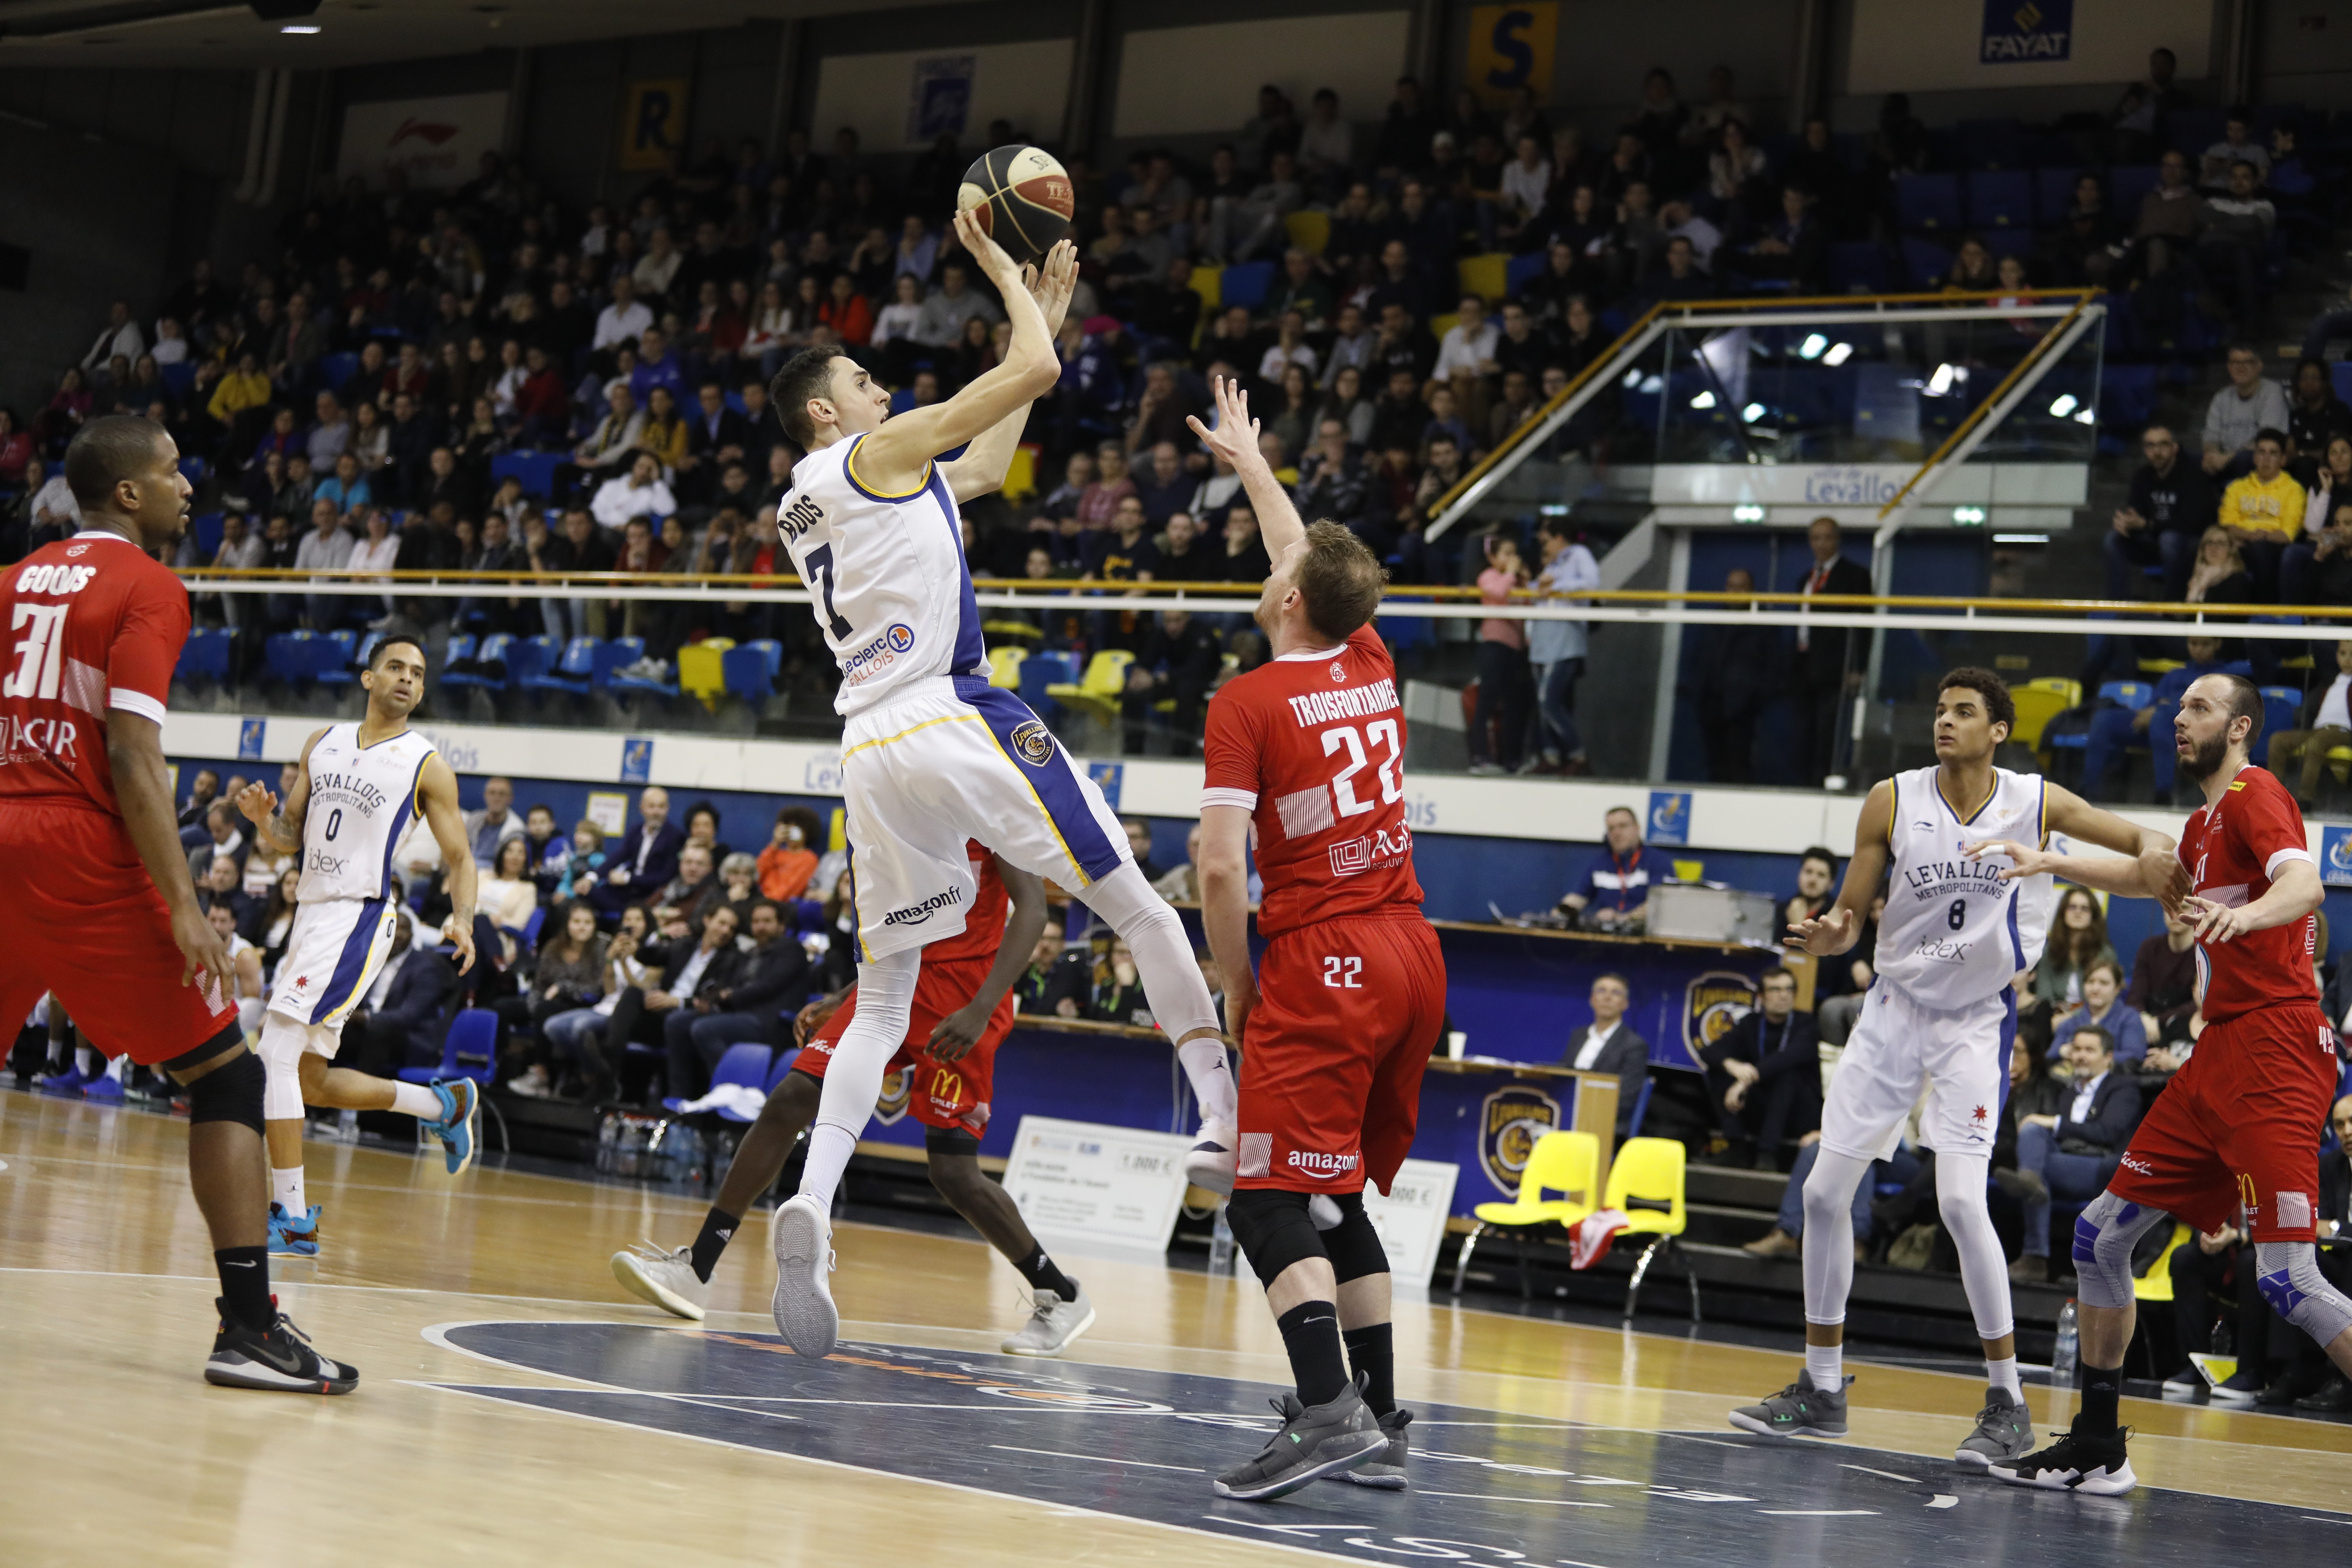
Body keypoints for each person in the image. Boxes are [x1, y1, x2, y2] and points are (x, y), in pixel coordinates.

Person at [761, 219, 1238, 1360]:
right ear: (827, 411)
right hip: (949, 707)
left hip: (868, 748)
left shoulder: (810, 497)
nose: (883, 389)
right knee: (1137, 904)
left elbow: (982, 464)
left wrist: (1051, 309)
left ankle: (813, 1210)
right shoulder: (871, 454)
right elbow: (1029, 375)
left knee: (881, 1006)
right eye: (864, 381)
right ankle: (1224, 1120)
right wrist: (1005, 284)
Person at [1730, 666, 2186, 1470]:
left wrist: (2161, 861)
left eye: (1964, 712)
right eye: (1940, 710)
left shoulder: (2035, 801)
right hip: (1893, 1012)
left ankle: (2007, 1400)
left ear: (1998, 730)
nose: (1945, 722)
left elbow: (2140, 840)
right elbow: (1847, 916)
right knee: (1824, 1192)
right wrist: (1830, 938)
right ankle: (1823, 1386)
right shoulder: (1893, 799)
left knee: (1960, 1200)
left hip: (1976, 1022)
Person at [0, 414, 357, 1391]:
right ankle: (249, 1329)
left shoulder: (9, 583)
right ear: (128, 495)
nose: (186, 484)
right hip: (75, 842)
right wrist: (182, 900)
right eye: (169, 471)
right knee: (228, 1079)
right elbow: (131, 753)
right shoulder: (150, 585)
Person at [1977, 671, 2352, 1496]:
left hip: (2276, 1053)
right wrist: (2050, 860)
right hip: (2218, 1056)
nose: (2181, 719)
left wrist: (2244, 918)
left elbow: (2305, 882)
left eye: (2201, 708)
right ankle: (2097, 1443)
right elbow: (2154, 878)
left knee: (2288, 1279)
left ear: (2244, 726)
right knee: (2100, 1238)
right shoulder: (2204, 822)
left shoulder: (2259, 793)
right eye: (2178, 707)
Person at [1189, 374, 1445, 1500]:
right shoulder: (1366, 659)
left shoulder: (1245, 702)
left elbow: (1213, 863)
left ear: (1288, 600)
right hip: (1409, 948)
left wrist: (1235, 983)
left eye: (1273, 571)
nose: (1267, 569)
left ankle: (1328, 1406)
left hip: (1326, 957)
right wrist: (1252, 463)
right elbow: (1311, 559)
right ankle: (1379, 1415)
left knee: (1261, 1193)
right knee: (1333, 1190)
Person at [612, 846, 1101, 1353]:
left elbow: (1035, 910)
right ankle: (700, 1265)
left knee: (953, 1171)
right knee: (792, 1097)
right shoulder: (902, 808)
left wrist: (982, 1008)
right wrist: (844, 994)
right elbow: (900, 925)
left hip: (967, 997)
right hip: (893, 985)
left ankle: (1060, 1293)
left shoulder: (988, 799)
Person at [231, 637, 484, 1257]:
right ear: (369, 677)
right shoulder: (323, 742)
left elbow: (459, 855)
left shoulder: (426, 764)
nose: (407, 679)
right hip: (311, 914)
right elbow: (290, 837)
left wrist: (463, 919)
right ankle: (441, 1105)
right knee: (309, 1080)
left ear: (422, 693)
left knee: (277, 1052)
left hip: (359, 915)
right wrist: (265, 822)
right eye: (396, 668)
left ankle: (292, 1218)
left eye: (418, 675)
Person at [1997, 1026, 2141, 1283]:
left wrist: (2056, 1123)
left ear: (2108, 1057)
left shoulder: (2123, 1088)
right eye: (2076, 1049)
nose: (2081, 1056)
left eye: (2089, 1050)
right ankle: (2031, 1179)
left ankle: (2035, 1257)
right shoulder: (2067, 1092)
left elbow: (2107, 1133)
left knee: (2037, 1158)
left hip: (2101, 1168)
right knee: (2032, 1131)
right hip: (2066, 1162)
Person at [1701, 968, 1821, 1170]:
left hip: (1798, 1112)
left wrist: (1745, 1080)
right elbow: (1710, 1052)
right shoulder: (1751, 1023)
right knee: (1719, 1072)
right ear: (1761, 997)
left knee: (1788, 1074)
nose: (1784, 996)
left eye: (1789, 990)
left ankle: (1767, 1154)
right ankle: (1736, 1147)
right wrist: (1734, 1066)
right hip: (1763, 1107)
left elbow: (1787, 1058)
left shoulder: (1807, 1023)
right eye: (1775, 990)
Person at [1791, 516, 1872, 786]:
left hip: (1836, 670)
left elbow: (1865, 626)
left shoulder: (1855, 576)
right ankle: (1803, 788)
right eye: (1815, 538)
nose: (1821, 544)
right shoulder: (1806, 579)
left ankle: (1822, 787)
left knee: (1829, 737)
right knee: (1802, 736)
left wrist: (1858, 668)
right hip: (1804, 668)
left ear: (1837, 540)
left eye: (1827, 537)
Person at [2106, 424, 2216, 601]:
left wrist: (2147, 525)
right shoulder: (2142, 477)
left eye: (2163, 445)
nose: (2157, 452)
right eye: (2150, 446)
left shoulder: (2193, 476)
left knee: (2170, 539)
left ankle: (2174, 607)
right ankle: (2118, 605)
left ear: (2175, 448)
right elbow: (2137, 514)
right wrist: (2126, 522)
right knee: (2113, 540)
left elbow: (2190, 524)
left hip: (2191, 544)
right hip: (2155, 540)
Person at [1556, 973, 1650, 1135]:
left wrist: (1582, 1105)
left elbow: (1626, 1099)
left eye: (1616, 993)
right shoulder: (1579, 1036)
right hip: (1566, 1113)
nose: (1607, 998)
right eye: (1602, 991)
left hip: (1603, 1122)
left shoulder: (1634, 1045)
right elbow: (1563, 1073)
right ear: (1592, 1000)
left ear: (1625, 1004)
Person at [2265, 638, 2352, 808]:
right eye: (2343, 654)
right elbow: (2310, 706)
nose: (2348, 659)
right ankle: (2273, 796)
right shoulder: (2331, 683)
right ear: (2336, 656)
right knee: (2278, 740)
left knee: (2316, 744)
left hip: (2343, 732)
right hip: (2319, 731)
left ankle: (2305, 798)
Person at [1556, 804, 1650, 931]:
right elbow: (1579, 897)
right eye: (1611, 829)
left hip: (1644, 936)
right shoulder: (1600, 863)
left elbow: (1660, 906)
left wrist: (1623, 918)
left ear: (1637, 828)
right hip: (1604, 935)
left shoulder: (1657, 861)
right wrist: (1561, 912)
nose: (1617, 833)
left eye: (1623, 826)